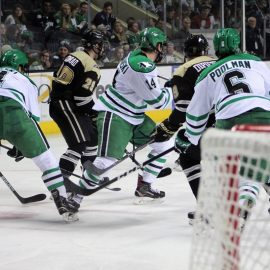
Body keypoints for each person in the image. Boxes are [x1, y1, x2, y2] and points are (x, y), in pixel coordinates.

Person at [177, 28, 270, 222]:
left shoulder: (207, 73)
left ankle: (219, 208)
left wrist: (188, 137)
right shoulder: (257, 62)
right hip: (265, 116)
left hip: (230, 122)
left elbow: (194, 118)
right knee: (261, 159)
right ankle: (246, 194)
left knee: (230, 164)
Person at [79, 27, 173, 204]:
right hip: (116, 115)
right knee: (106, 162)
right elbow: (159, 102)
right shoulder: (142, 66)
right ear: (156, 46)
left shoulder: (137, 55)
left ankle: (145, 184)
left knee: (164, 143)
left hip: (134, 114)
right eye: (161, 45)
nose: (162, 49)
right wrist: (173, 91)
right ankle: (74, 197)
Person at [0, 49, 78, 221]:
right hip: (14, 113)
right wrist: (21, 144)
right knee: (46, 159)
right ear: (19, 66)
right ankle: (62, 200)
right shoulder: (24, 80)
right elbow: (32, 117)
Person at [154, 34, 215, 223]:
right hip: (244, 120)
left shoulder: (184, 70)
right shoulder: (219, 63)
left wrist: (168, 126)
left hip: (215, 130)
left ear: (186, 52)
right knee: (251, 159)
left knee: (187, 154)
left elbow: (183, 109)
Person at [49, 29, 104, 209]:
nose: (102, 48)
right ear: (95, 45)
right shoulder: (92, 65)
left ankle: (90, 173)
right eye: (101, 44)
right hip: (65, 104)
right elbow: (82, 97)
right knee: (79, 144)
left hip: (62, 102)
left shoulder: (74, 55)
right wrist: (95, 112)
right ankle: (60, 184)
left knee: (92, 137)